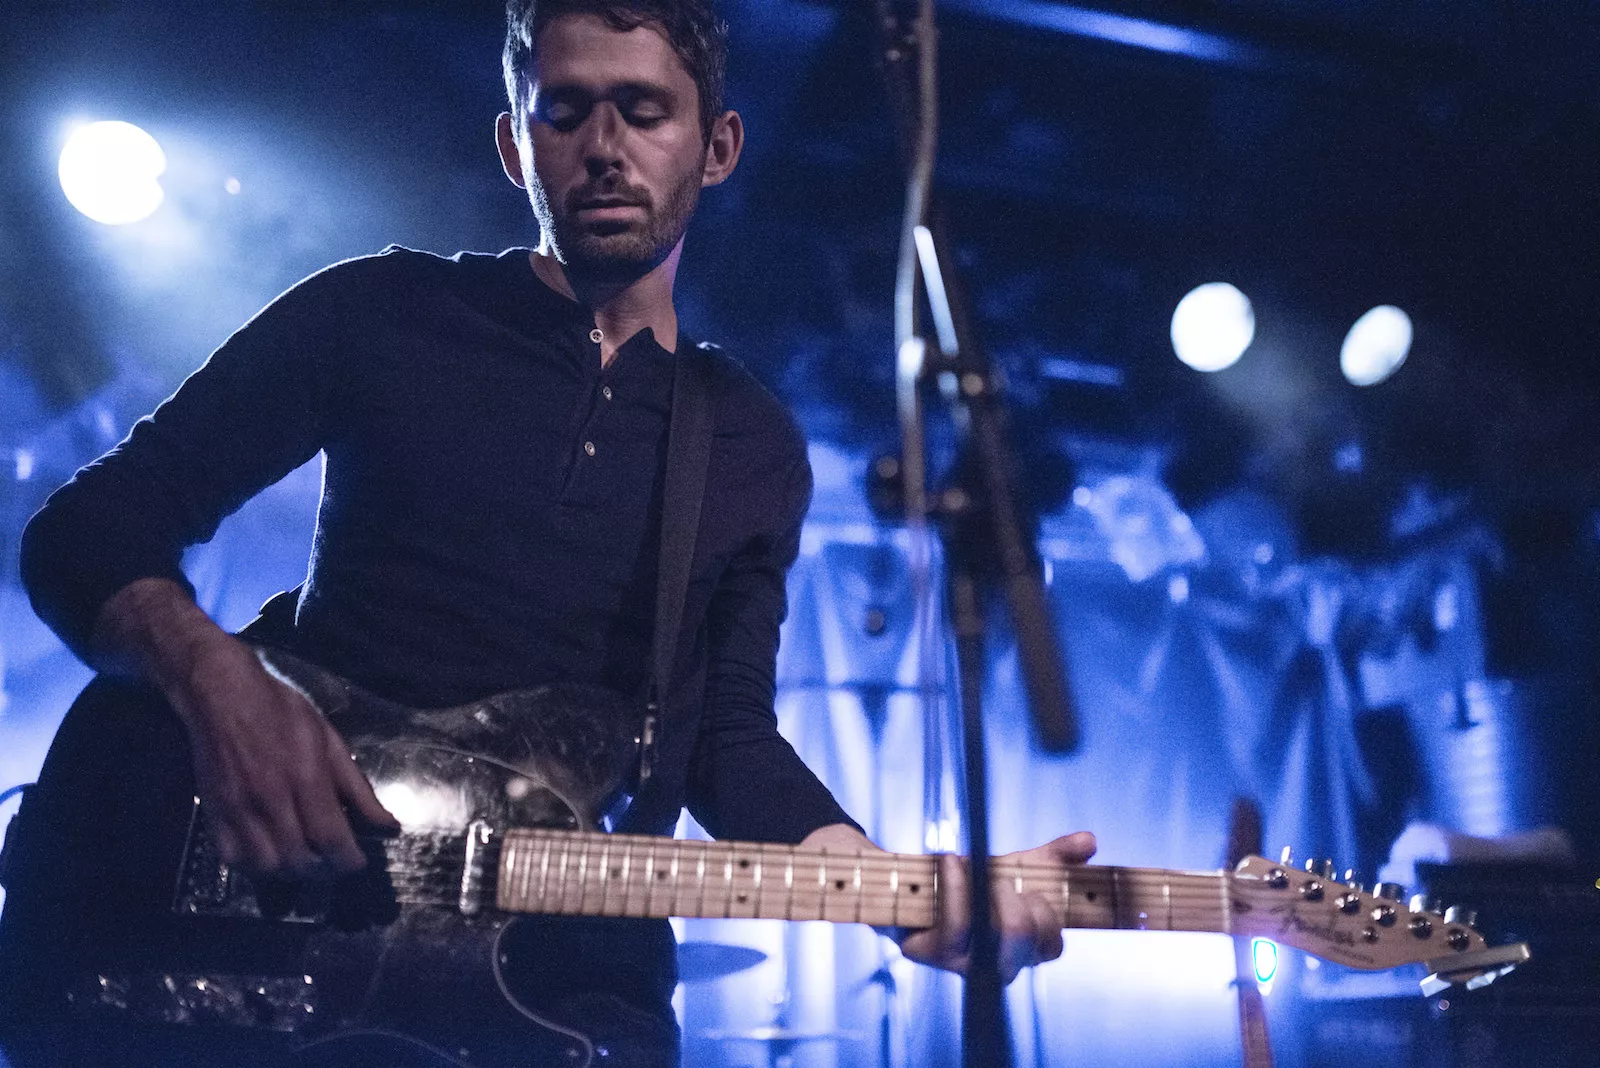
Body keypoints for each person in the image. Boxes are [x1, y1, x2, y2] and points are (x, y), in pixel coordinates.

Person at [2, 1, 1096, 1064]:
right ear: (514, 145)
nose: (604, 147)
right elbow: (88, 529)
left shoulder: (749, 438)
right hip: (274, 916)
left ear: (716, 147)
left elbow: (722, 736)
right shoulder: (379, 314)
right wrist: (215, 682)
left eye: (643, 110)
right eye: (564, 110)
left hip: (554, 974)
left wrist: (895, 890)